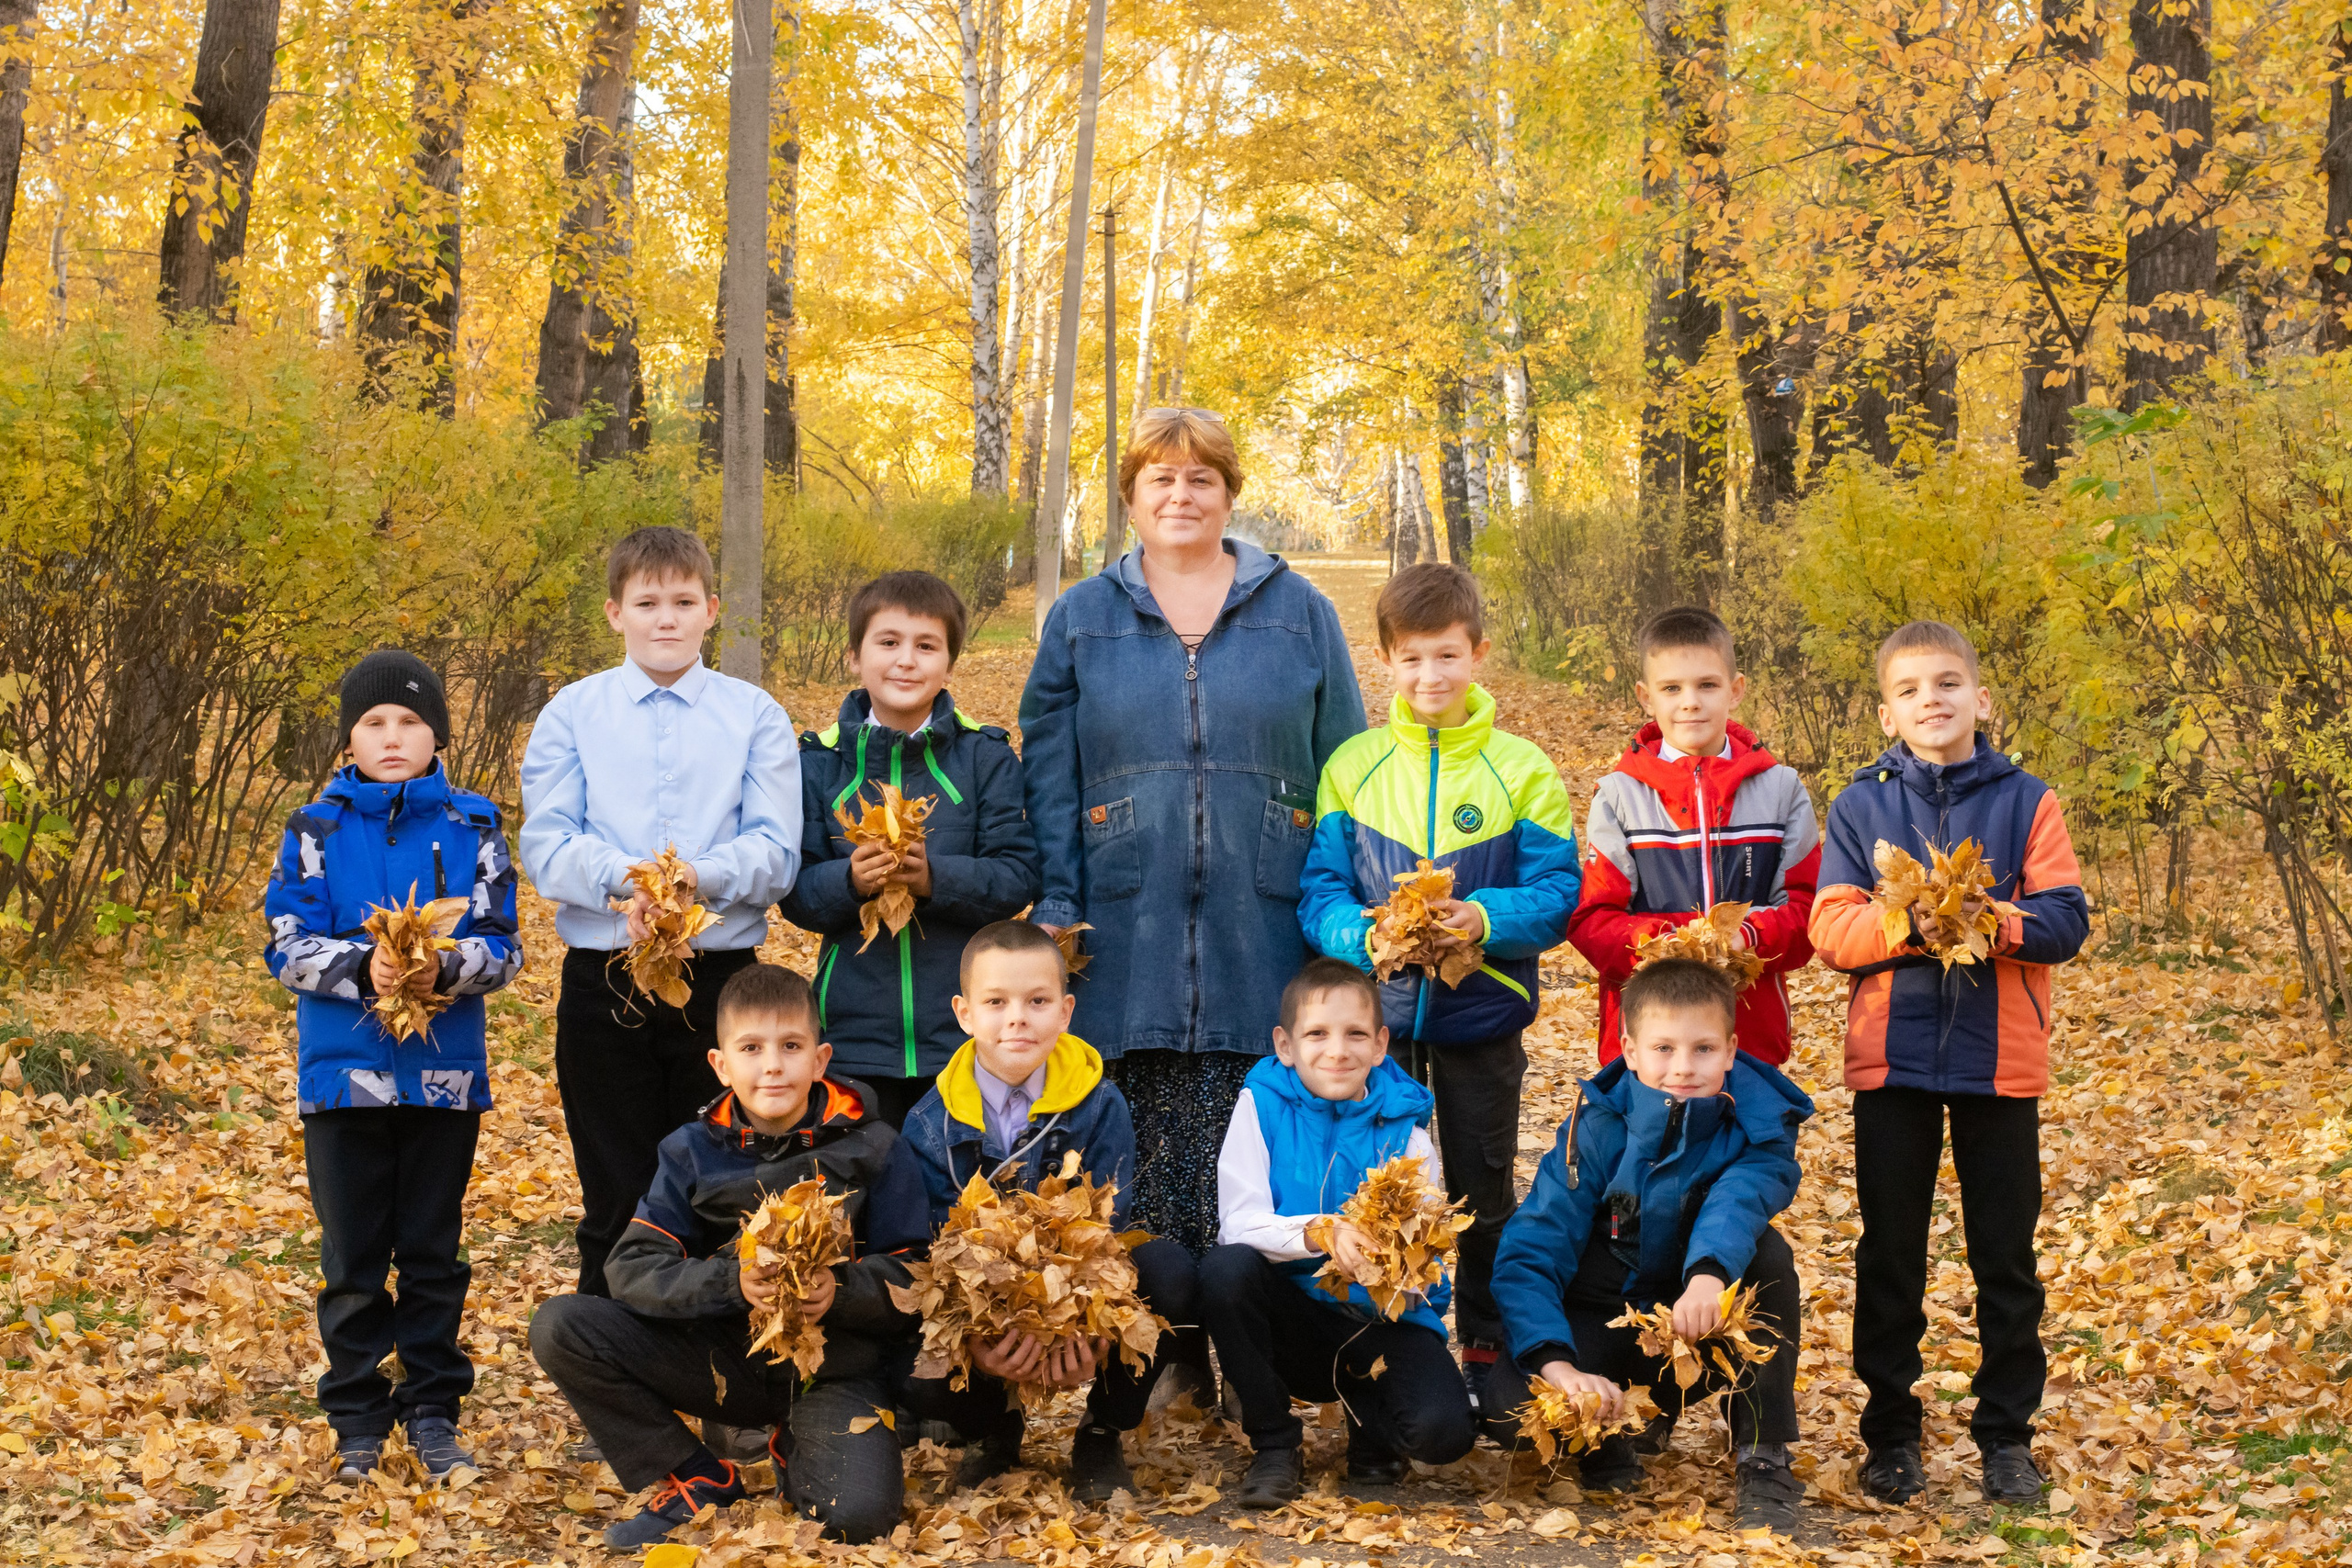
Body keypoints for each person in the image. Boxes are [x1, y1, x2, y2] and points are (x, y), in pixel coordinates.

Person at [1020, 406, 1365, 1279]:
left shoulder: (1299, 611)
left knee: (1255, 1132)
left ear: (1228, 492)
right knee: (1138, 1151)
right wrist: (1060, 900)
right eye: (1161, 478)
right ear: (1131, 497)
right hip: (1125, 918)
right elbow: (1051, 777)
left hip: (1265, 914)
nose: (1182, 494)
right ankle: (1167, 1350)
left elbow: (1347, 768)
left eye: (1201, 477)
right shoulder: (1082, 617)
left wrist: (1345, 900)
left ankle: (1255, 1342)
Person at [1808, 620, 2089, 1506]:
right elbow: (1828, 930)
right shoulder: (1860, 805)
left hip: (2000, 1063)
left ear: (1981, 699)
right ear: (1887, 710)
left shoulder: (2028, 800)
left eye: (1946, 683)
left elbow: (2065, 920)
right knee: (1892, 1253)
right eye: (1909, 689)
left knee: (2004, 1255)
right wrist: (1906, 925)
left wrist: (1982, 920)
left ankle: (2006, 1435)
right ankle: (1891, 1433)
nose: (1930, 699)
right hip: (1891, 1061)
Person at [1296, 561, 1579, 1400]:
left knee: (1480, 1187)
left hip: (1481, 1020)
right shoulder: (1353, 766)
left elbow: (1559, 893)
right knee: (1380, 1185)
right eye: (1413, 658)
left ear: (1478, 653)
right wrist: (1363, 934)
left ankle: (1488, 1348)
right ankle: (1384, 1346)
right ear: (1386, 658)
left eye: (1448, 656)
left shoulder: (1520, 769)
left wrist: (1482, 919)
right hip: (1377, 1025)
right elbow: (1320, 890)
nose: (1431, 676)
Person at [527, 964, 929, 1549]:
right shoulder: (691, 1151)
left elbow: (915, 1270)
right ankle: (698, 1475)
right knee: (562, 1325)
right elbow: (632, 1267)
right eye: (751, 1048)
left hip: (833, 1370)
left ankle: (798, 1444)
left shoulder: (874, 1145)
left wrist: (839, 1292)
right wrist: (730, 1283)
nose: (772, 1065)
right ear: (721, 1063)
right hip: (723, 1361)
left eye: (791, 1046)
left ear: (820, 1060)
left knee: (858, 1517)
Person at [518, 525, 801, 1297]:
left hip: (721, 985)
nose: (665, 617)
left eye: (683, 601)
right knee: (614, 1191)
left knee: (723, 1188)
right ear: (615, 612)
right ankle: (613, 1382)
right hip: (605, 980)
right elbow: (547, 842)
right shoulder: (572, 715)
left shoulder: (754, 715)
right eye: (647, 602)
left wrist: (692, 884)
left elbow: (776, 850)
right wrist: (629, 883)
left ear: (711, 609)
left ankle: (721, 1389)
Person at [264, 650, 523, 1483]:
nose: (393, 735)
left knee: (433, 1249)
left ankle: (435, 1405)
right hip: (343, 1076)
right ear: (349, 738)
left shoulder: (475, 825)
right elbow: (286, 941)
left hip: (443, 1077)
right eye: (375, 722)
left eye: (411, 721)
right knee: (353, 1253)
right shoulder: (315, 830)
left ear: (437, 733)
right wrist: (359, 969)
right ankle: (356, 1410)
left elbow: (504, 943)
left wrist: (444, 968)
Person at [1487, 959, 1813, 1534]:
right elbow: (1531, 1249)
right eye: (1663, 1049)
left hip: (1691, 1319)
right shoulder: (1592, 1127)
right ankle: (1610, 1436)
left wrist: (1709, 1277)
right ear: (1630, 1050)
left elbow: (1735, 1204)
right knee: (1508, 1412)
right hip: (1606, 1312)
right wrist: (1558, 1366)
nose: (1683, 1069)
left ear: (1732, 1050)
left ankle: (1763, 1455)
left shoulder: (1761, 1122)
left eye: (1704, 1049)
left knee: (1767, 1259)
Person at [899, 921, 1199, 1501]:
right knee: (909, 1331)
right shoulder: (928, 1122)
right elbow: (937, 1247)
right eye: (996, 1002)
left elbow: (1108, 1225)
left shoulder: (1100, 1102)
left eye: (1037, 1002)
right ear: (964, 1013)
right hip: (985, 1300)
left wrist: (1085, 1326)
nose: (1017, 1018)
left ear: (1064, 1012)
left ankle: (1102, 1429)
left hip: (1082, 1290)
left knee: (1171, 1275)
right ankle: (992, 1428)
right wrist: (986, 1343)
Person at [1199, 959, 1477, 1508]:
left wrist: (1396, 1266)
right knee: (1223, 1270)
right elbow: (1239, 1222)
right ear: (1285, 1045)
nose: (1337, 1050)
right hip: (1293, 1319)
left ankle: (1372, 1429)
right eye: (1317, 1034)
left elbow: (1431, 1253)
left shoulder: (1407, 1129)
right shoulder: (1261, 1106)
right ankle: (1275, 1444)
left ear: (1380, 1045)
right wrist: (1321, 1233)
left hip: (1378, 1319)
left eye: (1355, 1035)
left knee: (1443, 1435)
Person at [782, 572, 1042, 1128]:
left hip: (965, 1033)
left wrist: (934, 880)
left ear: (949, 663)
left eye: (926, 646)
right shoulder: (818, 764)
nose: (907, 660)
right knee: (866, 1194)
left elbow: (1019, 874)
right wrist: (850, 882)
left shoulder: (984, 757)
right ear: (854, 655)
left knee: (954, 1197)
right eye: (888, 642)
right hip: (851, 1037)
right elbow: (796, 893)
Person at [1567, 605, 1819, 1066]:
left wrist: (1745, 937)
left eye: (1707, 684)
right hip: (1649, 1047)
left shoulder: (1781, 790)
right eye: (1671, 688)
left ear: (1736, 690)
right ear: (1646, 697)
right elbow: (1593, 921)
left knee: (1752, 1140)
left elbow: (1807, 913)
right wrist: (1675, 943)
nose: (1690, 702)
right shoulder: (1619, 795)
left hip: (1751, 1038)